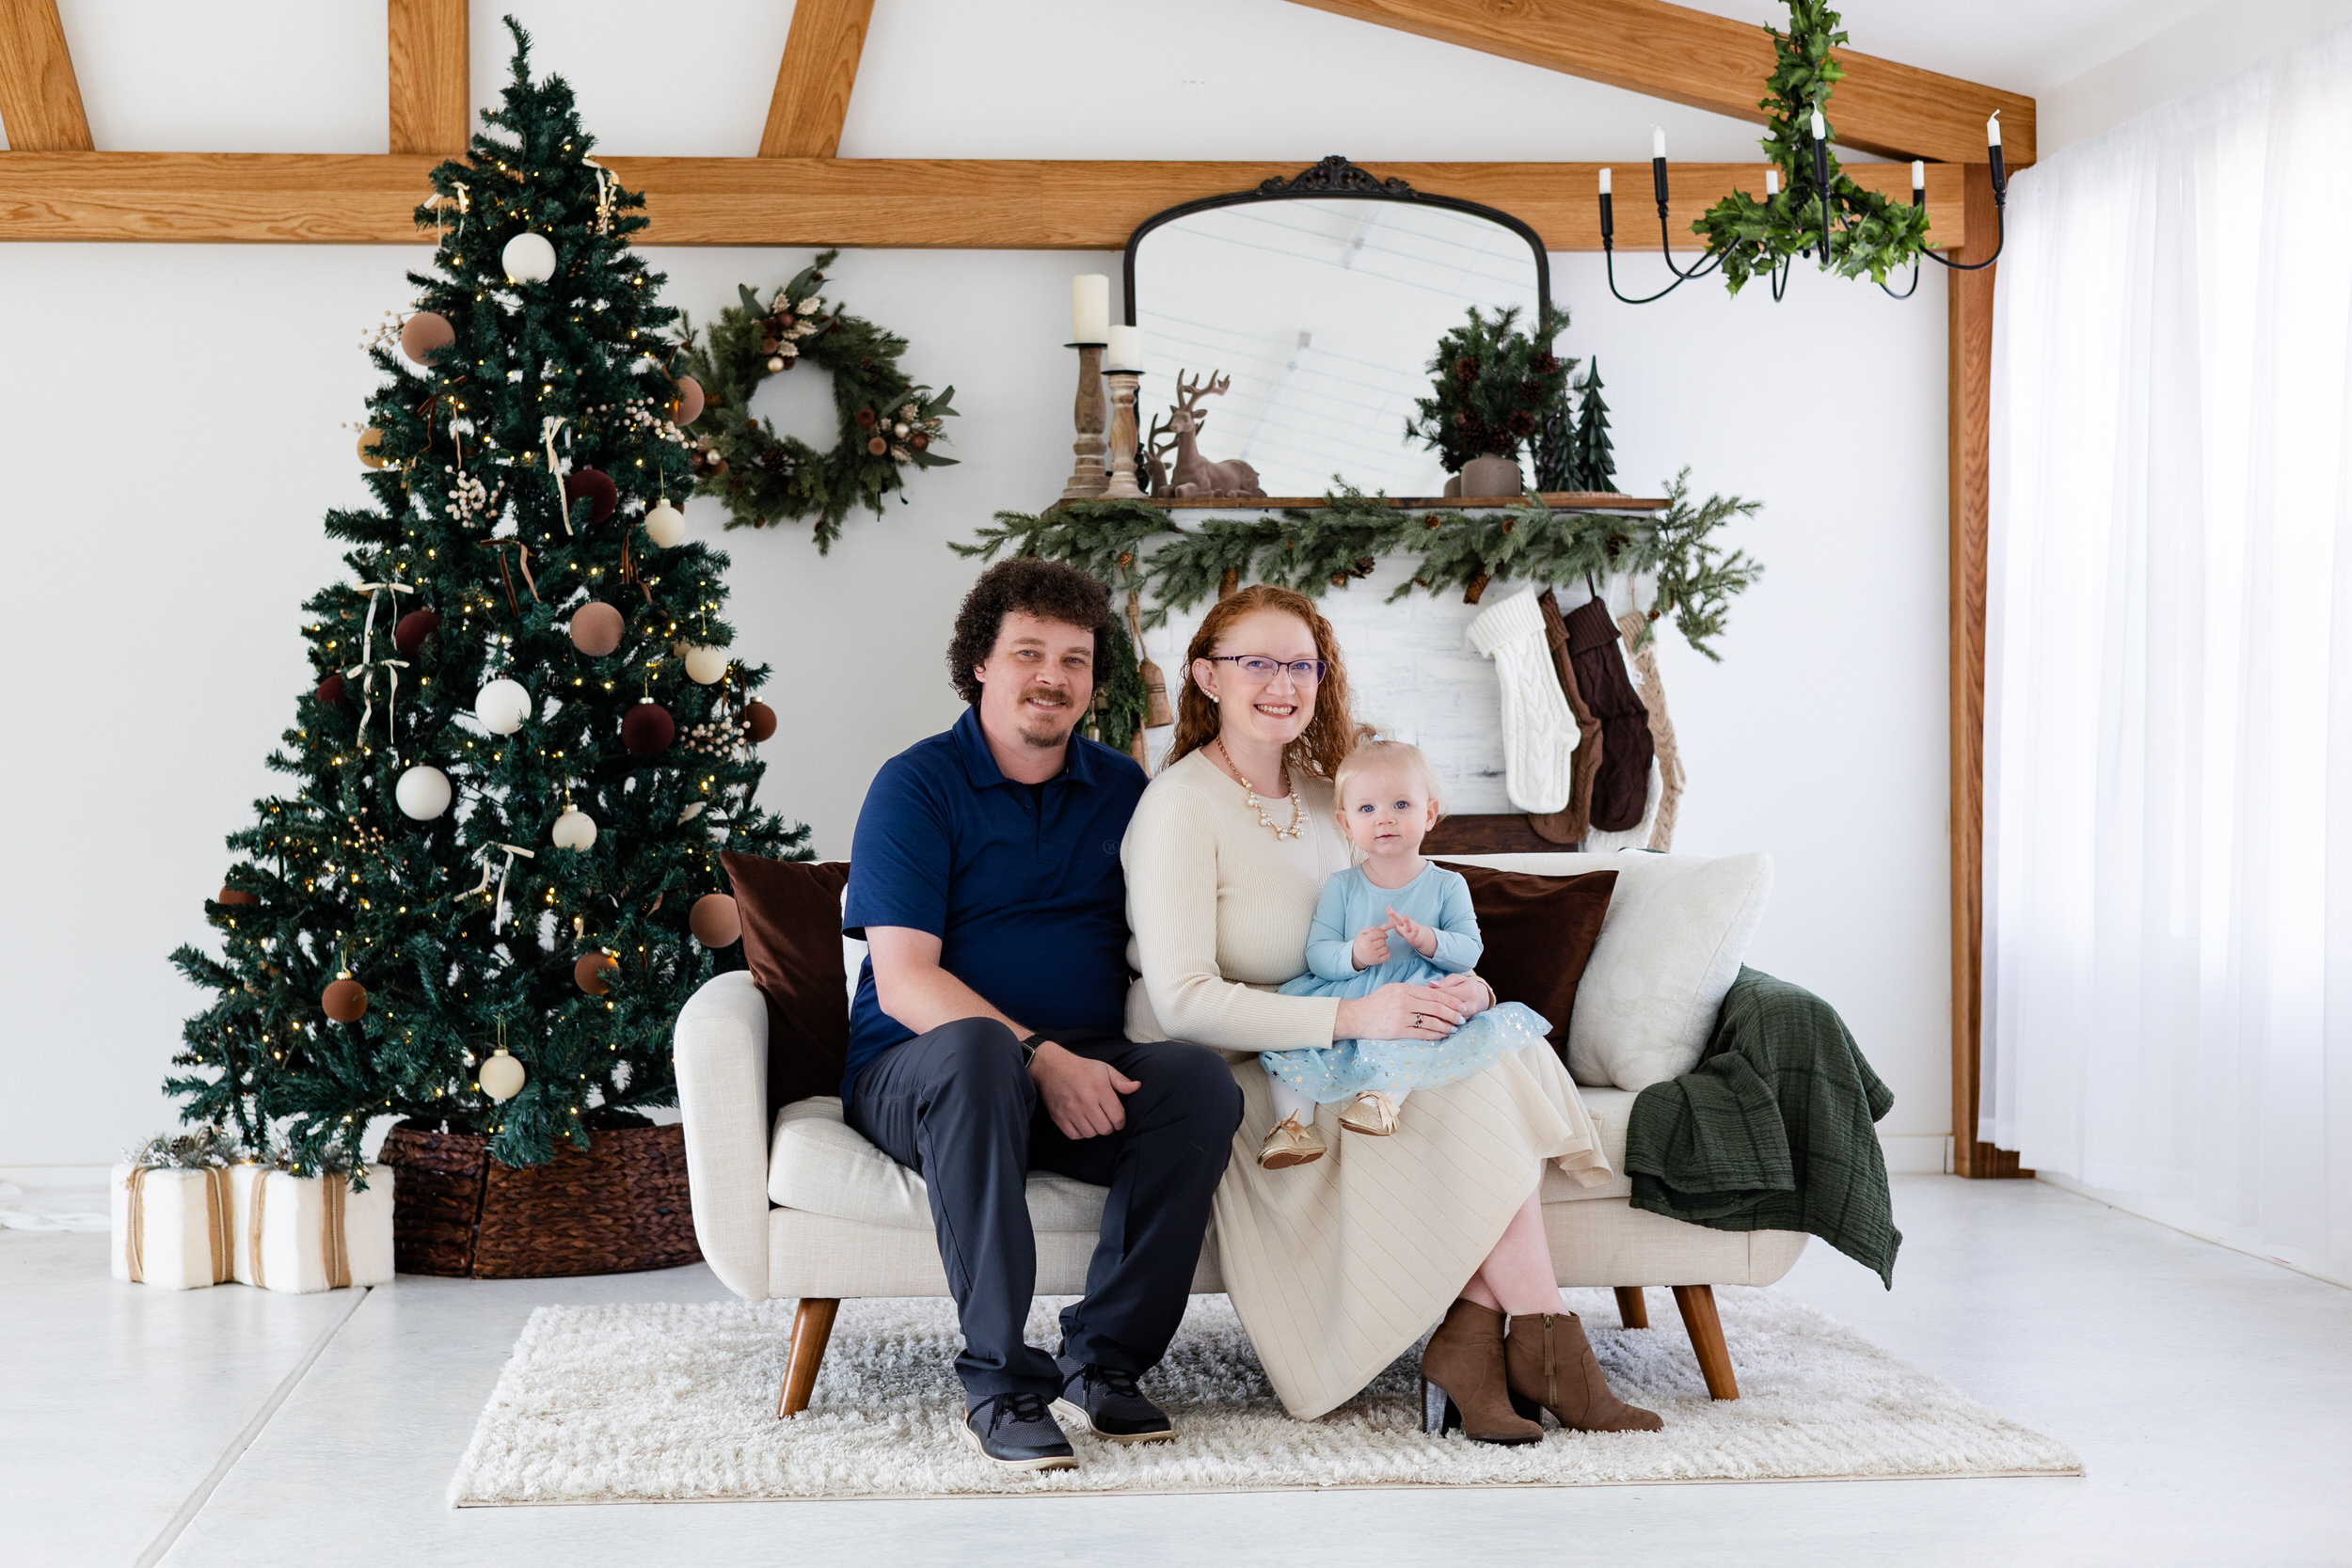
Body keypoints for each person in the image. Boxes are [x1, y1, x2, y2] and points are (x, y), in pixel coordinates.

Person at [1121, 584, 1661, 1444]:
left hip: (1346, 1040)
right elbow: (1183, 1001)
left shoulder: (1329, 794)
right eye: (1254, 662)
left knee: (1489, 1047)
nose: (1281, 682)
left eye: (1300, 663)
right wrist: (1359, 1019)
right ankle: (1547, 1350)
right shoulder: (1179, 806)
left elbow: (1399, 929)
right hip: (1241, 1076)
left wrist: (1464, 992)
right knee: (1470, 1089)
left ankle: (1481, 1348)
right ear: (1204, 677)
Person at [842, 558, 1243, 1473]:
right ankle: (998, 1383)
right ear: (979, 662)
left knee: (1193, 1083)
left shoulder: (1124, 792)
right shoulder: (916, 785)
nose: (1052, 675)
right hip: (923, 1071)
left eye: (1073, 658)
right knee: (980, 1048)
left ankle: (1104, 1361)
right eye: (1028, 651)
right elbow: (905, 982)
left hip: (1075, 1066)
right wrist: (1042, 1057)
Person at [1262, 739, 1554, 1159]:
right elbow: (1318, 954)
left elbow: (1470, 951)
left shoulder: (1447, 884)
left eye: (1401, 805)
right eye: (1368, 809)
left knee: (1418, 1031)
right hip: (1354, 990)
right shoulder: (1341, 886)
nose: (1385, 819)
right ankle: (1292, 1126)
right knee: (1290, 1033)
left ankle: (1380, 1102)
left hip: (1418, 990)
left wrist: (1429, 940)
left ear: (1429, 813)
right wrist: (1355, 954)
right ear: (1345, 823)